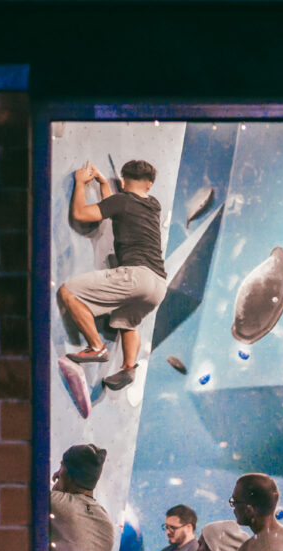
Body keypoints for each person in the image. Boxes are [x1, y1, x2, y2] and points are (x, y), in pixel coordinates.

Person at [61, 158, 168, 391]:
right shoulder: (153, 205)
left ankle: (96, 346)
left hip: (136, 276)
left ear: (122, 180)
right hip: (158, 284)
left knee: (68, 292)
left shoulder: (122, 201)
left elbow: (82, 213)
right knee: (127, 321)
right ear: (149, 185)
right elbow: (115, 206)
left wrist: (81, 183)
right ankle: (129, 367)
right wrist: (102, 185)